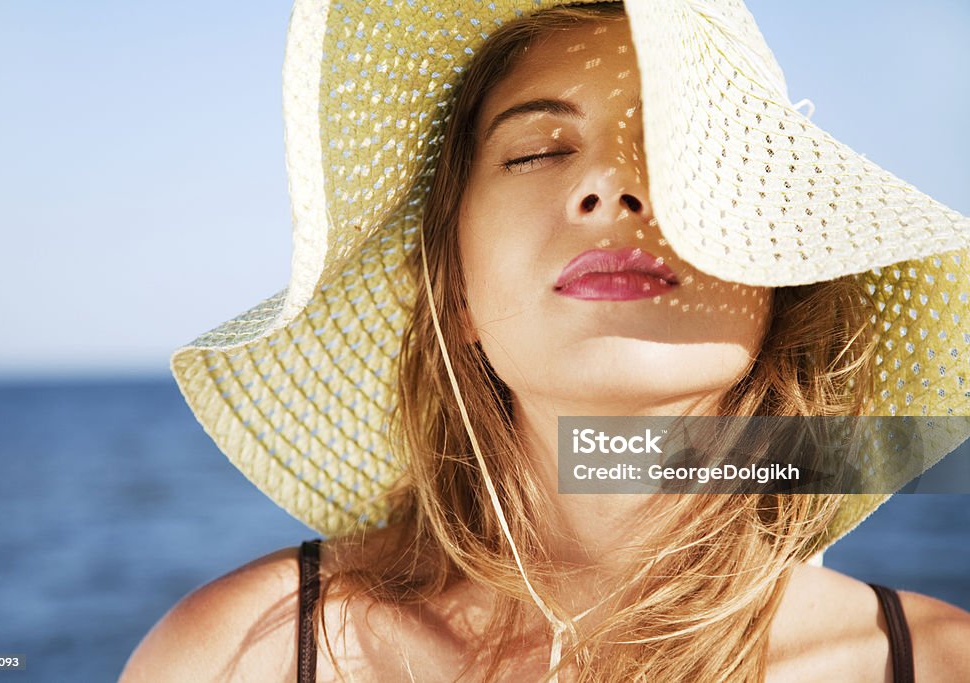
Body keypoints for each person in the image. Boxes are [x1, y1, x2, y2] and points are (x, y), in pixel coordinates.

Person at [121, 2, 970, 680]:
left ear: (781, 281)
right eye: (537, 151)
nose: (610, 187)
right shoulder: (243, 655)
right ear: (453, 289)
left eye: (678, 149)